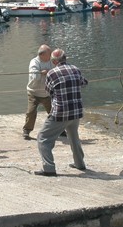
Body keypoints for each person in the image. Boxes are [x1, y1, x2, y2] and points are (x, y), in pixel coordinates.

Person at [34, 48, 88, 177]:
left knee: (43, 138)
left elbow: (48, 91)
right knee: (74, 138)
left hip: (60, 113)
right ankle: (80, 164)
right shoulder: (76, 69)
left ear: (53, 61)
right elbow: (84, 83)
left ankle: (49, 168)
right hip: (76, 112)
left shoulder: (52, 73)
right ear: (65, 58)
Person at [22, 45, 53, 140]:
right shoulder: (34, 62)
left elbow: (56, 71)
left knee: (54, 111)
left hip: (47, 92)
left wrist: (48, 72)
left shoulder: (51, 61)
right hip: (34, 92)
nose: (51, 55)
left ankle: (59, 130)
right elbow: (35, 77)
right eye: (49, 54)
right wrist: (41, 73)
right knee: (31, 112)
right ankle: (26, 130)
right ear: (42, 55)